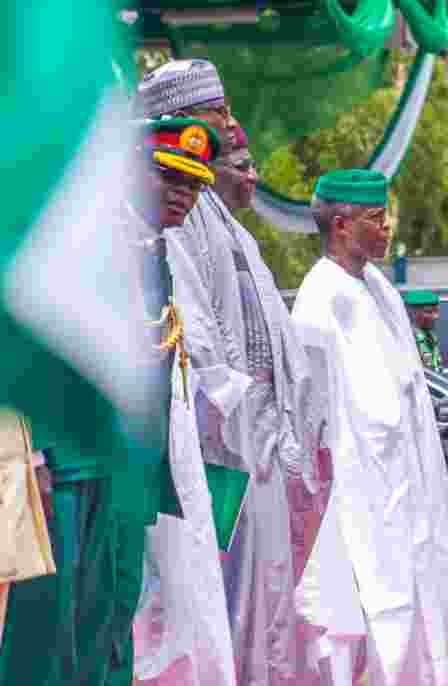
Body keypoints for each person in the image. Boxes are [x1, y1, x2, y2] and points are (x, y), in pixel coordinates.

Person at [0, 118, 217, 686]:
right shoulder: (80, 240)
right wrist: (38, 460)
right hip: (69, 463)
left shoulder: (155, 252)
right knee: (53, 623)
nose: (182, 195)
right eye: (168, 177)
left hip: (125, 470)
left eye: (193, 185)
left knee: (114, 614)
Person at [137, 60, 328, 686]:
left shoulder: (217, 218)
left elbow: (274, 339)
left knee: (262, 606)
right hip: (227, 451)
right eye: (218, 109)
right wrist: (258, 426)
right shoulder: (174, 217)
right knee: (218, 605)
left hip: (258, 448)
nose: (231, 121)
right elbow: (198, 346)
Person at [292, 169, 448, 685]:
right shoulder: (320, 300)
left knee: (413, 610)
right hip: (354, 495)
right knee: (347, 624)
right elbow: (313, 416)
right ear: (342, 224)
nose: (387, 228)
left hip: (402, 488)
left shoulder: (379, 290)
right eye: (376, 219)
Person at [403, 289, 445, 372]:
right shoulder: (408, 339)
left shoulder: (429, 336)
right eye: (429, 312)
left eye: (436, 311)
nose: (436, 317)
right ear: (411, 313)